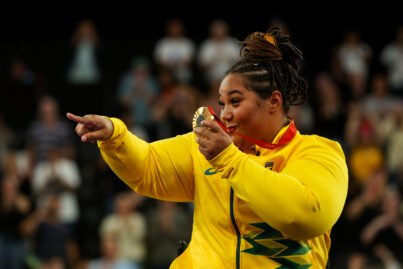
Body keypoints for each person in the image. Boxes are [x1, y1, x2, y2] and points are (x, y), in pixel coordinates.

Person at [67, 27, 348, 268]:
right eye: (222, 102)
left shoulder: (317, 151)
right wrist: (115, 135)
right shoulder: (206, 147)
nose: (224, 113)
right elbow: (148, 167)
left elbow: (306, 215)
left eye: (235, 102)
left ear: (274, 102)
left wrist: (229, 160)